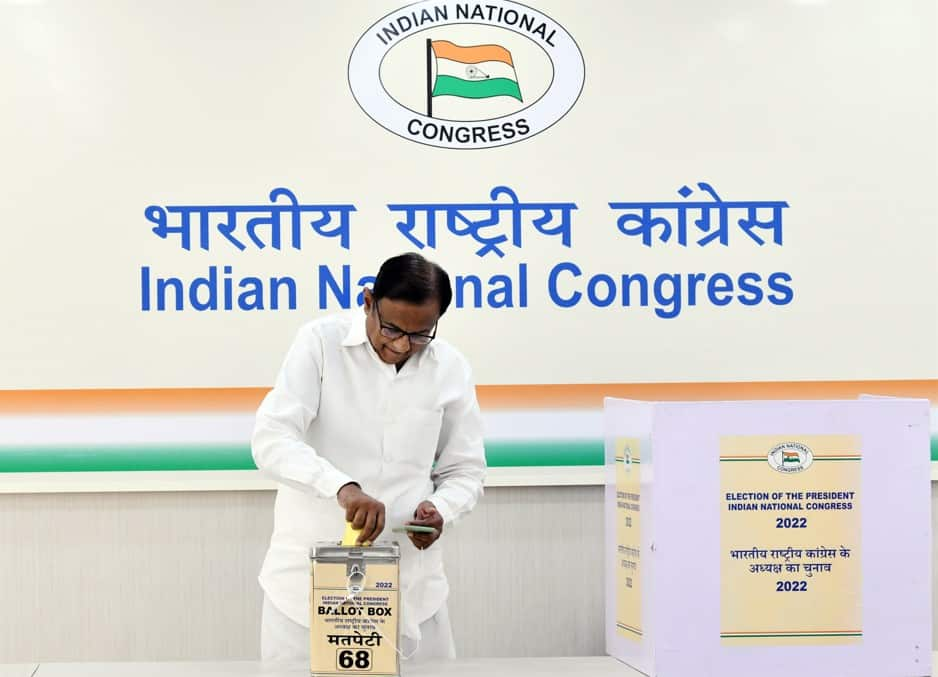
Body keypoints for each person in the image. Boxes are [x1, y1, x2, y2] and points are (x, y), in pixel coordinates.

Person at [252, 252, 486, 662]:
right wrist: (342, 488)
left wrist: (441, 509)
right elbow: (271, 438)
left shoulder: (449, 368)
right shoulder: (320, 345)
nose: (400, 345)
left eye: (419, 334)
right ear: (367, 301)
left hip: (413, 593)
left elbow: (465, 469)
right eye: (391, 327)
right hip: (308, 595)